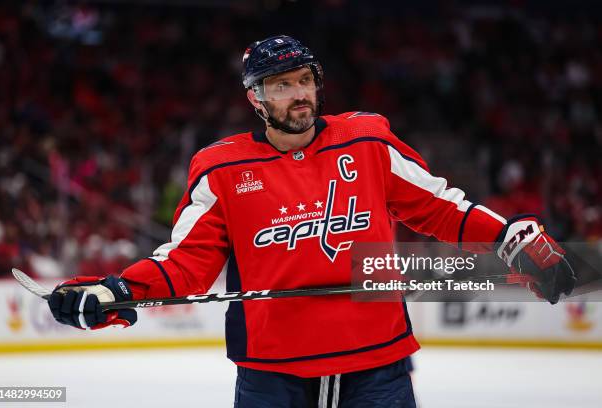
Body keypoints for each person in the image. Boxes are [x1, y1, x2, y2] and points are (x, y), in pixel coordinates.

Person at [48, 35, 575, 407]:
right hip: (272, 378)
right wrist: (116, 290)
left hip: (376, 370)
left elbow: (441, 207)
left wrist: (509, 238)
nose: (298, 94)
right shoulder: (221, 168)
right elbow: (186, 263)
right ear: (255, 98)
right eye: (280, 85)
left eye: (305, 81)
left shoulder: (368, 139)